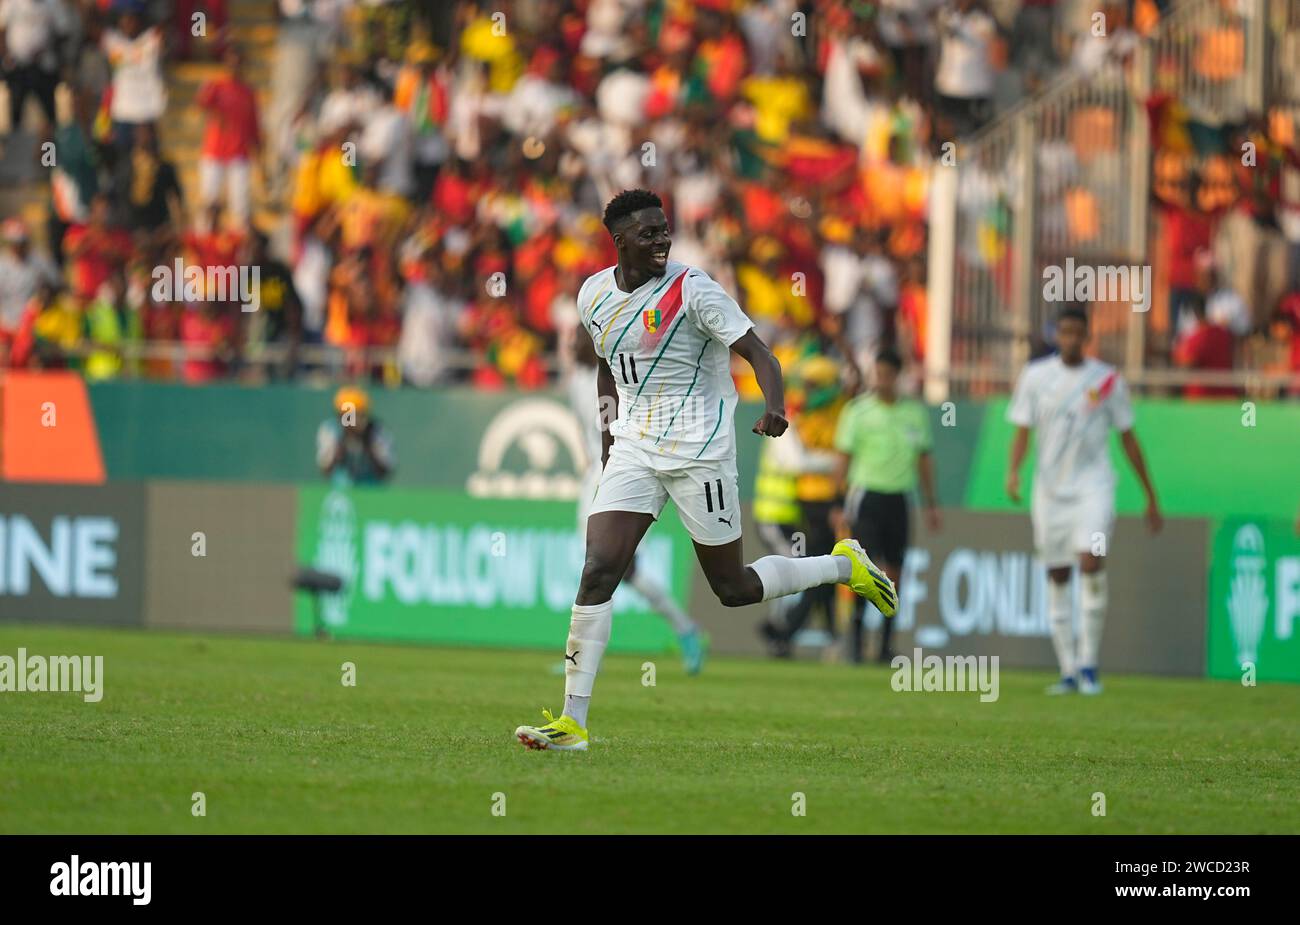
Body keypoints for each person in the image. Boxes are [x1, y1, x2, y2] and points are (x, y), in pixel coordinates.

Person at [513, 189, 897, 751]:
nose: (662, 240)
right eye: (648, 233)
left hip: (701, 451)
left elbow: (761, 355)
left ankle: (842, 566)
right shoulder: (593, 294)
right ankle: (572, 722)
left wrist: (774, 407)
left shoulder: (694, 289)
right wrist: (606, 441)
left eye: (665, 229)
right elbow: (606, 372)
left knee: (733, 588)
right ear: (619, 241)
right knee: (598, 568)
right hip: (635, 448)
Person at [1006, 308, 1162, 696]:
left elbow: (1128, 436)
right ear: (1057, 334)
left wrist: (1150, 495)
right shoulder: (1035, 377)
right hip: (1050, 493)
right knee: (1058, 573)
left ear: (1087, 336)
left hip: (1095, 489)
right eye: (1066, 332)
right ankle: (1068, 670)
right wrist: (1013, 471)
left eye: (1078, 333)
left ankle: (1090, 664)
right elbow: (1022, 430)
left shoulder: (1106, 379)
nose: (1072, 339)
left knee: (1091, 561)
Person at [569, 327, 707, 674]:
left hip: (620, 473)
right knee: (598, 568)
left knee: (616, 568)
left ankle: (684, 629)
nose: (570, 345)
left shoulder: (616, 376)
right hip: (593, 479)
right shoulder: (575, 381)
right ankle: (587, 654)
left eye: (577, 338)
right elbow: (581, 427)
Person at [833, 347, 940, 663]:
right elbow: (843, 458)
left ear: (898, 376)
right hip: (866, 497)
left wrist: (931, 503)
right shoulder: (857, 411)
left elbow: (924, 459)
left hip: (899, 498)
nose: (881, 380)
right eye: (877, 374)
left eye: (887, 375)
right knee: (862, 570)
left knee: (895, 573)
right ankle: (855, 642)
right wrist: (838, 501)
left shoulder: (914, 414)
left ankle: (885, 645)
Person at [316, 386, 395, 486]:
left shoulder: (376, 431)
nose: (352, 420)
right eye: (347, 415)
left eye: (357, 414)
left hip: (370, 486)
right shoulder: (331, 430)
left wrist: (367, 441)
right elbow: (326, 468)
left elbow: (386, 470)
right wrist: (344, 439)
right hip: (341, 487)